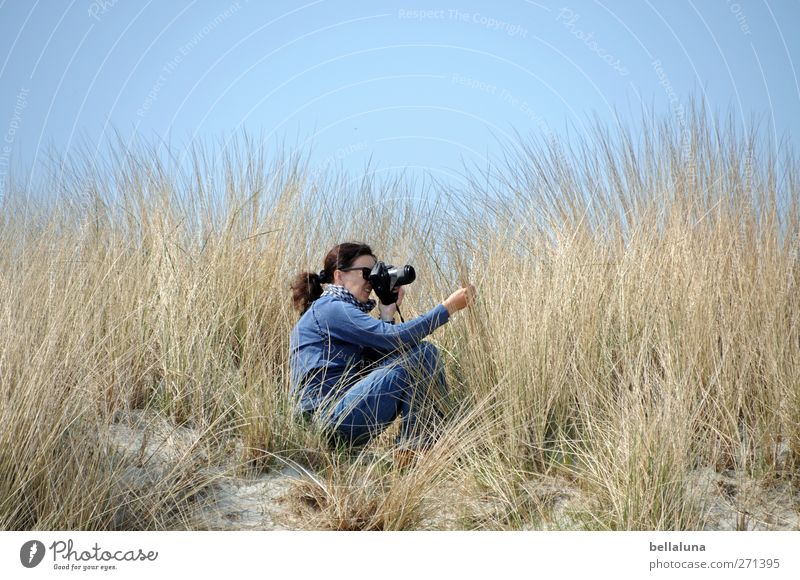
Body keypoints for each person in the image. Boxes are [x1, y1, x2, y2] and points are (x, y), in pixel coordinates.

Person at [289, 242, 475, 452]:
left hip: (336, 419)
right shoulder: (330, 308)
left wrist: (387, 313)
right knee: (423, 353)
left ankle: (416, 448)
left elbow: (378, 363)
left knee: (419, 355)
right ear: (339, 276)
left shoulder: (339, 311)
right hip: (324, 421)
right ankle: (417, 448)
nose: (371, 280)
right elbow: (394, 339)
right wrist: (447, 308)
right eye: (366, 273)